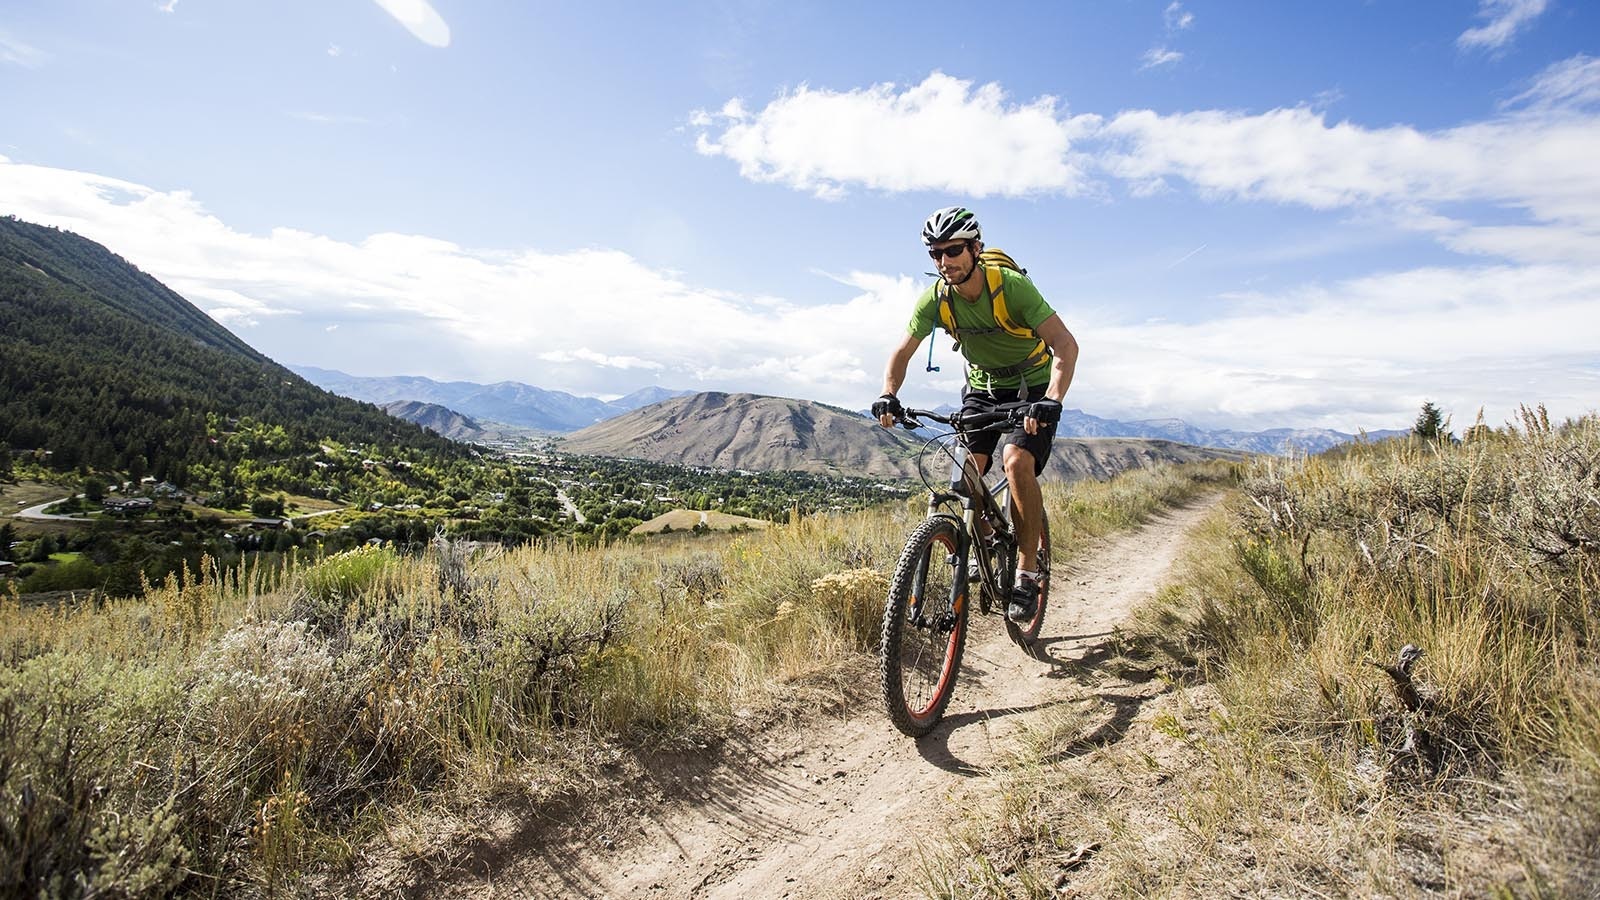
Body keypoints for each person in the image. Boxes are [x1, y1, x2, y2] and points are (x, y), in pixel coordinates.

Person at [871, 206, 1080, 623]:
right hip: (982, 389)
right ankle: (981, 541)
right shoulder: (937, 298)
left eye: (953, 250)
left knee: (1016, 461)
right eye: (936, 253)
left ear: (975, 248)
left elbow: (1065, 345)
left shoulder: (1011, 288)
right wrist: (888, 393)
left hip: (1032, 388)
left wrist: (1052, 399)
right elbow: (902, 351)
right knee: (963, 472)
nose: (944, 261)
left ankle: (1026, 571)